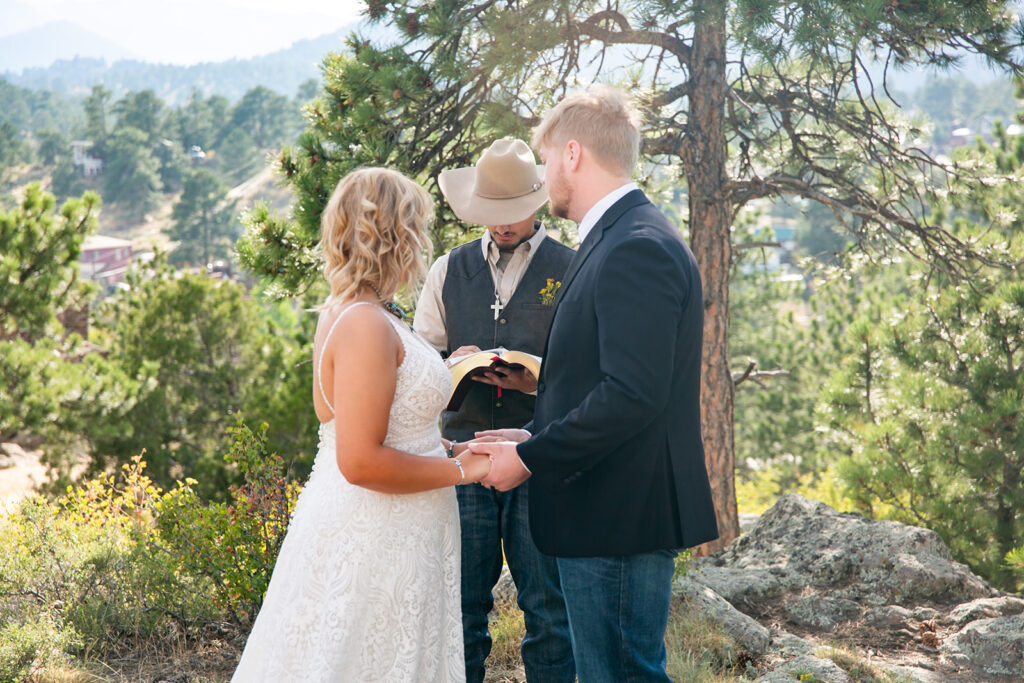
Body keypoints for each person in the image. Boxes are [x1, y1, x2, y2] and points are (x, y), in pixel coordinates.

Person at [470, 87, 720, 682]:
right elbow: (596, 382)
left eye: (546, 157)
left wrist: (529, 457)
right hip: (606, 511)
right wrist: (530, 429)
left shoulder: (637, 247)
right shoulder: (616, 238)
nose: (544, 174)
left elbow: (633, 394)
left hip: (620, 517)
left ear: (574, 154)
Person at [232, 167, 491, 682]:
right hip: (376, 536)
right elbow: (360, 459)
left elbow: (381, 423)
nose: (423, 238)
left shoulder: (361, 312)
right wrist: (467, 472)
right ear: (398, 234)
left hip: (398, 530)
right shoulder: (365, 323)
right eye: (417, 225)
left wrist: (447, 448)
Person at [414, 137, 576, 683]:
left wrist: (536, 374)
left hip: (541, 456)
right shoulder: (446, 270)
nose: (502, 225)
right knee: (461, 608)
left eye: (512, 214)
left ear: (535, 203)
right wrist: (451, 364)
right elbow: (418, 364)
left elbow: (586, 373)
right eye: (492, 215)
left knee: (549, 611)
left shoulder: (572, 269)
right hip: (460, 458)